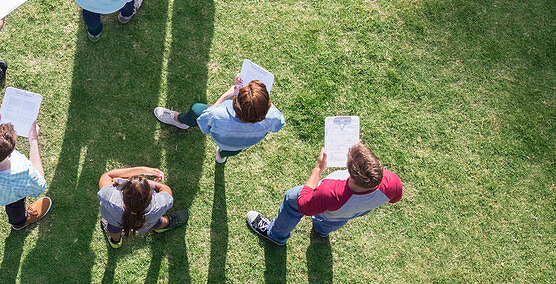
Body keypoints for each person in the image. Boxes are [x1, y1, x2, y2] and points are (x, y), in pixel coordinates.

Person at [246, 144, 402, 245]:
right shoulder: (392, 182)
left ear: (350, 170)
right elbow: (395, 198)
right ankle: (321, 230)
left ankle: (276, 235)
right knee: (331, 221)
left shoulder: (331, 192)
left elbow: (304, 204)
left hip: (329, 204)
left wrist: (318, 168)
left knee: (291, 199)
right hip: (346, 214)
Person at [154, 74, 285, 163]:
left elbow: (205, 119)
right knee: (230, 151)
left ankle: (180, 120)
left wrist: (226, 95)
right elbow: (279, 122)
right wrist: (260, 100)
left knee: (195, 110)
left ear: (236, 103)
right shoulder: (273, 116)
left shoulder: (218, 115)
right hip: (238, 144)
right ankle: (220, 156)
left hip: (221, 135)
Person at [97, 166, 188, 248]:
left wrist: (139, 170)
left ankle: (115, 242)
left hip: (114, 220)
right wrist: (149, 183)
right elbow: (165, 189)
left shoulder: (111, 198)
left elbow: (107, 176)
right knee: (158, 222)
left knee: (113, 229)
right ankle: (163, 225)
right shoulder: (159, 203)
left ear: (123, 192)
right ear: (150, 195)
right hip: (148, 222)